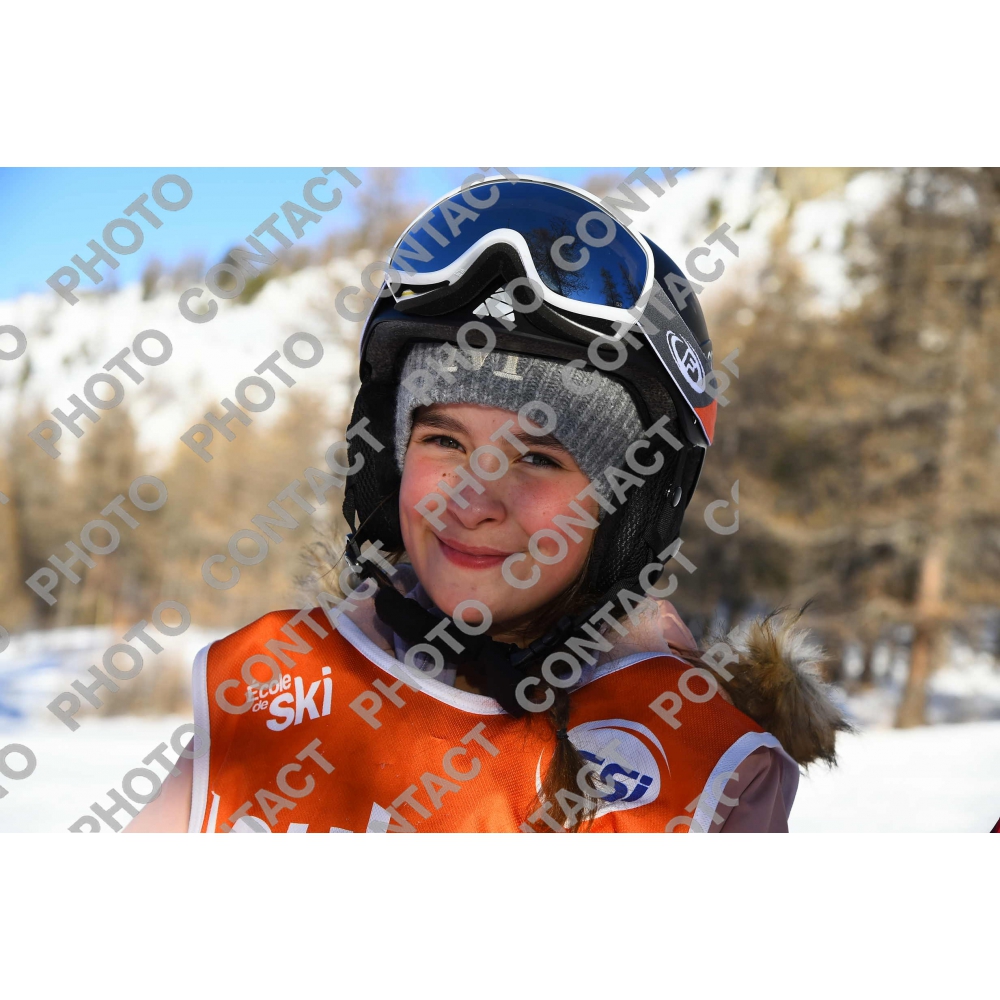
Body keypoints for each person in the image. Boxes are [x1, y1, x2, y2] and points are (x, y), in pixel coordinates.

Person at [127, 175, 849, 834]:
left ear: (627, 512)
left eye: (539, 458)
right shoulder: (278, 686)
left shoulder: (696, 766)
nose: (472, 502)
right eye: (444, 440)